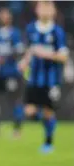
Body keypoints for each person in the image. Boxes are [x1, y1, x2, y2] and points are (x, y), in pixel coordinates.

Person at [19, 1, 68, 153]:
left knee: (48, 111)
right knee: (29, 111)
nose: (45, 10)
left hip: (51, 80)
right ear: (37, 10)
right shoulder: (31, 28)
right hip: (33, 78)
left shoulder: (57, 32)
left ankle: (48, 142)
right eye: (42, 7)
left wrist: (47, 54)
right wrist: (24, 61)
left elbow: (63, 57)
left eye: (49, 7)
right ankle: (46, 122)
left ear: (54, 11)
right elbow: (30, 49)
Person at [0, 7, 25, 137]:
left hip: (11, 72)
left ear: (10, 17)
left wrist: (8, 56)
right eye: (1, 15)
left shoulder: (15, 33)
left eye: (5, 15)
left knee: (14, 100)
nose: (3, 17)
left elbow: (20, 50)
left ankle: (17, 129)